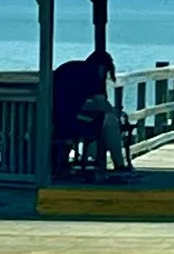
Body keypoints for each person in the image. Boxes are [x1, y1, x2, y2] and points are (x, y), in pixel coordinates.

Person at [48, 48, 125, 180]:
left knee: (99, 121)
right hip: (71, 123)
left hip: (51, 118)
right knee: (109, 120)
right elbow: (102, 104)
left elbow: (72, 101)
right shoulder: (93, 74)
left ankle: (93, 157)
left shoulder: (69, 68)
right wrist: (117, 112)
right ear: (103, 67)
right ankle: (119, 164)